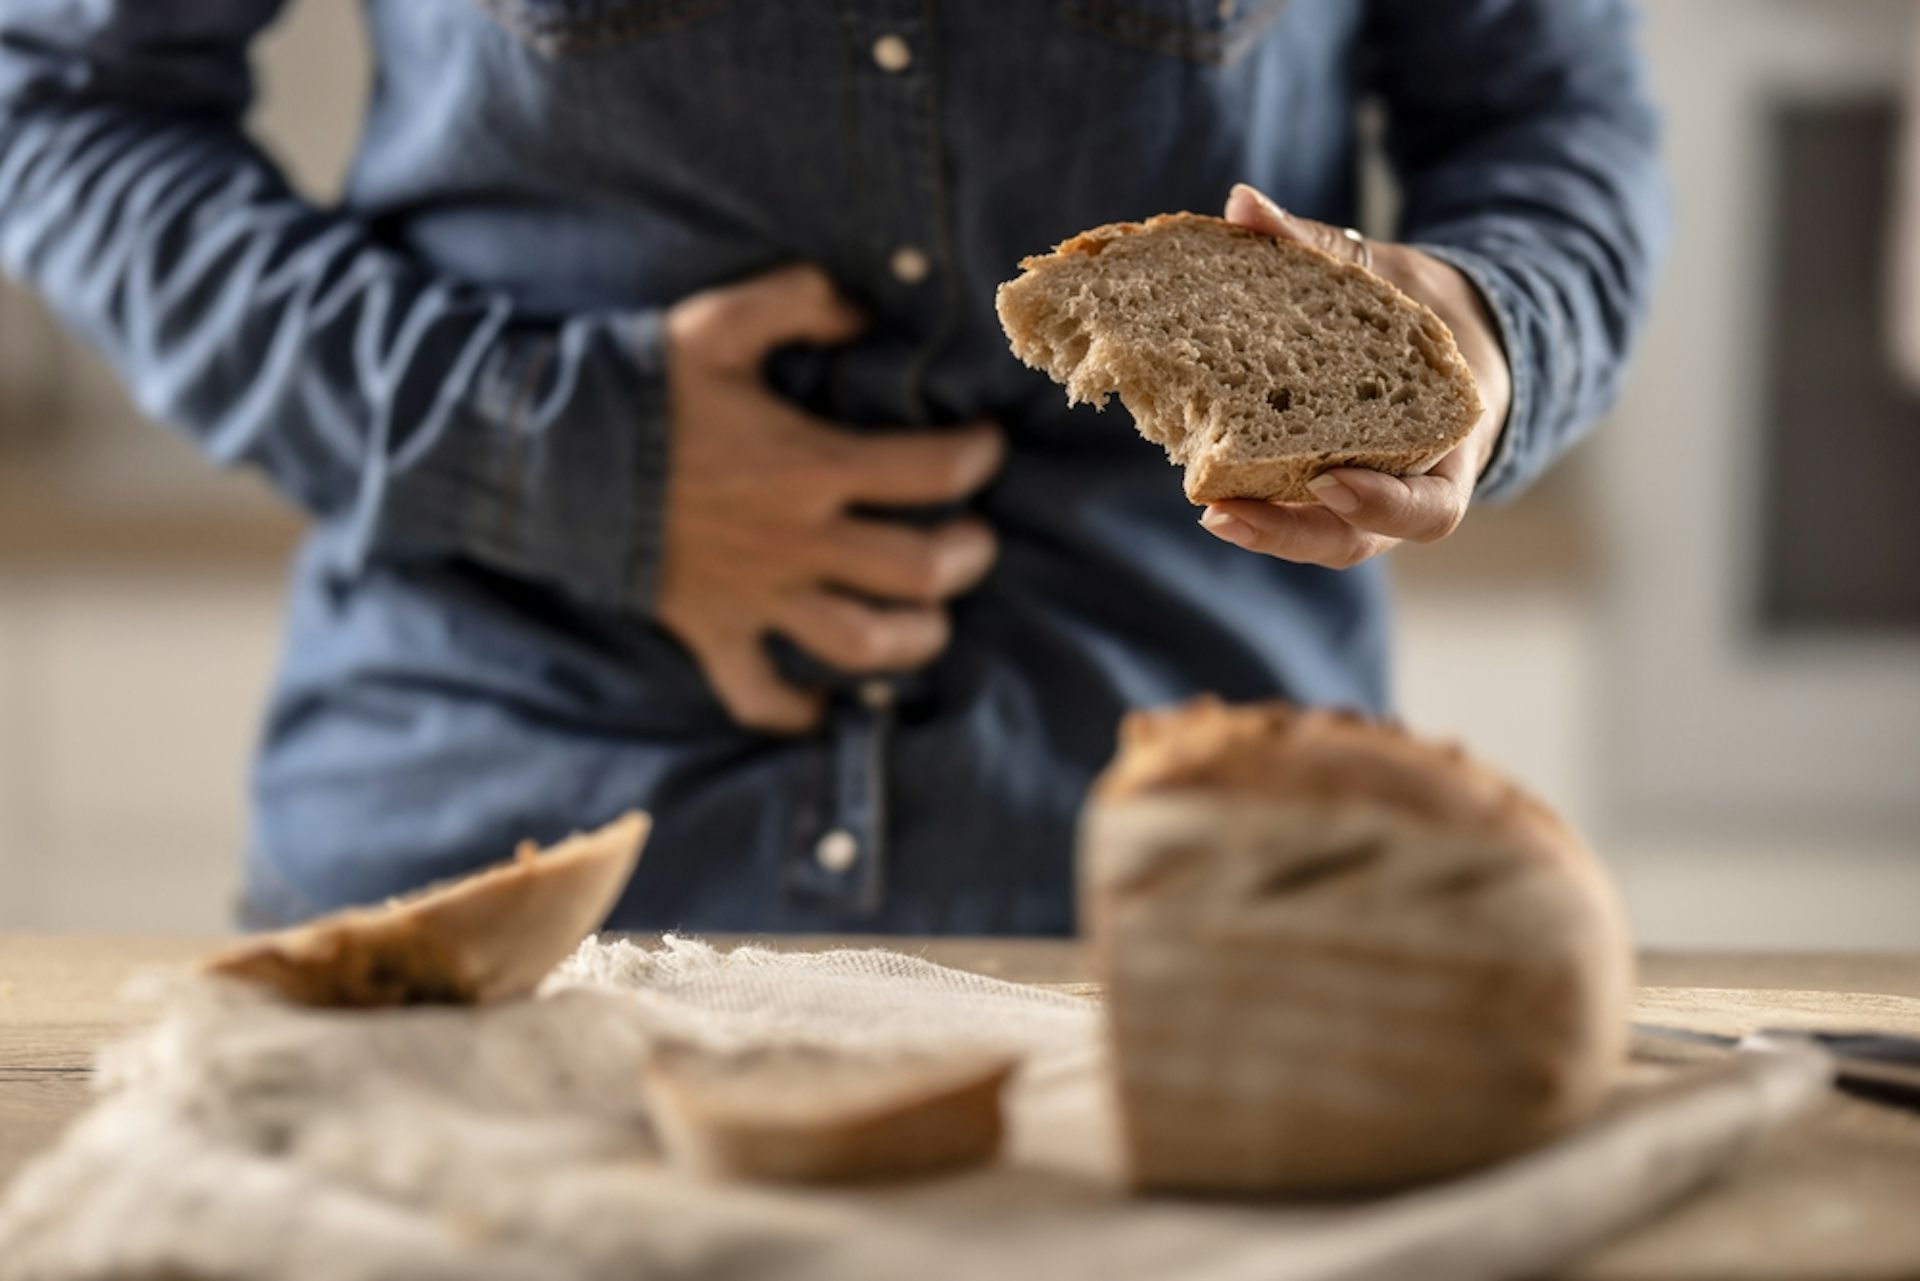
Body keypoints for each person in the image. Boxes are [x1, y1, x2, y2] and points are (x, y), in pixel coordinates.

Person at [0, 2, 1665, 934]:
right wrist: (562, 454)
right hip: (491, 867)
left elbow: (1552, 113)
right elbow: (61, 102)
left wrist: (1485, 339)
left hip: (1185, 903)